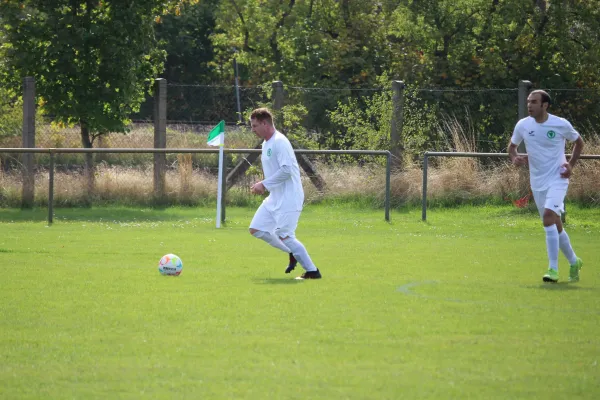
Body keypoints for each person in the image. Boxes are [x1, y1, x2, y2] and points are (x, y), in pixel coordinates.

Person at [508, 90, 584, 283]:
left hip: (558, 178)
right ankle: (574, 261)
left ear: (545, 105)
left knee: (549, 217)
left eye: (534, 102)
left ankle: (553, 269)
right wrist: (514, 157)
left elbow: (579, 142)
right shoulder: (523, 125)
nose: (530, 105)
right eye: (528, 102)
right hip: (538, 181)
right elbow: (512, 147)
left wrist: (571, 165)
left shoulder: (560, 123)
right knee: (555, 224)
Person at [248, 108, 321, 279]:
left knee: (285, 235)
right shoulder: (266, 143)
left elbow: (287, 170)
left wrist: (264, 184)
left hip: (290, 197)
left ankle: (312, 271)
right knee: (256, 229)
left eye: (255, 125)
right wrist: (265, 184)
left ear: (265, 123)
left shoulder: (280, 141)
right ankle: (291, 251)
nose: (253, 129)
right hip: (275, 197)